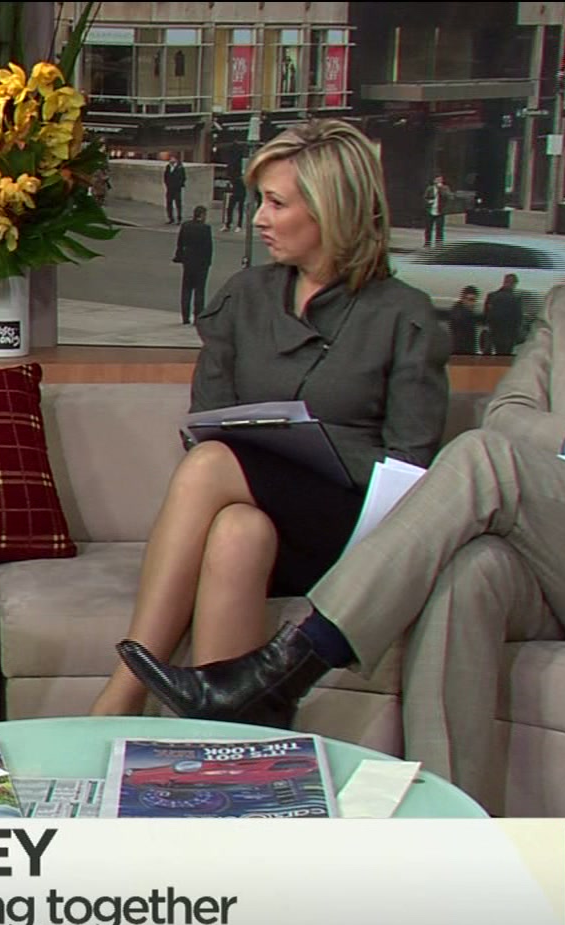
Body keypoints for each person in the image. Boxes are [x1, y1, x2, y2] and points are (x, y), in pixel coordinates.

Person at [115, 112, 565, 810]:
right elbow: (508, 415)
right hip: (555, 549)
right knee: (467, 572)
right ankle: (458, 828)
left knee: (485, 459)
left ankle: (285, 669)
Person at [89, 118, 452, 717]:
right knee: (238, 530)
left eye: (277, 203)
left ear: (332, 210)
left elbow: (411, 465)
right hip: (260, 516)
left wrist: (319, 448)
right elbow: (207, 417)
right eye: (260, 199)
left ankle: (122, 693)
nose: (258, 218)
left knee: (213, 465)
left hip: (345, 531)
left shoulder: (402, 314)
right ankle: (228, 733)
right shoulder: (246, 295)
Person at [174, 205, 214, 323]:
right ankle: (198, 316)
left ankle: (185, 317)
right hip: (201, 263)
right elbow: (208, 247)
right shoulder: (205, 228)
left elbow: (180, 243)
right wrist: (208, 262)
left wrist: (180, 257)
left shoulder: (186, 226)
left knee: (186, 288)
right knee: (199, 290)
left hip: (188, 261)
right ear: (202, 215)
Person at [483, 273, 525, 355]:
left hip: (492, 335)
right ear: (514, 284)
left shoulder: (491, 296)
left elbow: (486, 317)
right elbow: (518, 320)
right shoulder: (515, 299)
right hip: (508, 338)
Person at [447, 285, 482, 355]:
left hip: (461, 350)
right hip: (462, 350)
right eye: (470, 300)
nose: (472, 303)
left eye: (474, 300)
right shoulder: (462, 313)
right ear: (463, 299)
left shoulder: (460, 310)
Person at [423, 173, 452, 247]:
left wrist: (441, 189)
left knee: (439, 229)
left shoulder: (445, 188)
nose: (439, 181)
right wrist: (428, 201)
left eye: (440, 180)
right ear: (434, 180)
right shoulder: (430, 188)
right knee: (428, 228)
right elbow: (425, 198)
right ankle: (427, 243)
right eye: (437, 180)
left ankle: (439, 244)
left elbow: (449, 197)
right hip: (431, 210)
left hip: (440, 211)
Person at [222, 150, 247, 231]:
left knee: (240, 208)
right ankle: (228, 224)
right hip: (235, 190)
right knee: (230, 208)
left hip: (241, 190)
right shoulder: (233, 169)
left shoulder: (241, 168)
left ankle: (238, 225)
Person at [163, 151, 187, 225]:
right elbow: (165, 177)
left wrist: (179, 185)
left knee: (178, 204)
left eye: (172, 158)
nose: (171, 160)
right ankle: (171, 218)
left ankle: (179, 218)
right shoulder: (168, 167)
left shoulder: (180, 167)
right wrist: (167, 184)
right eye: (170, 159)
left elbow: (183, 177)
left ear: (176, 159)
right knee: (169, 204)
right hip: (169, 189)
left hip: (177, 189)